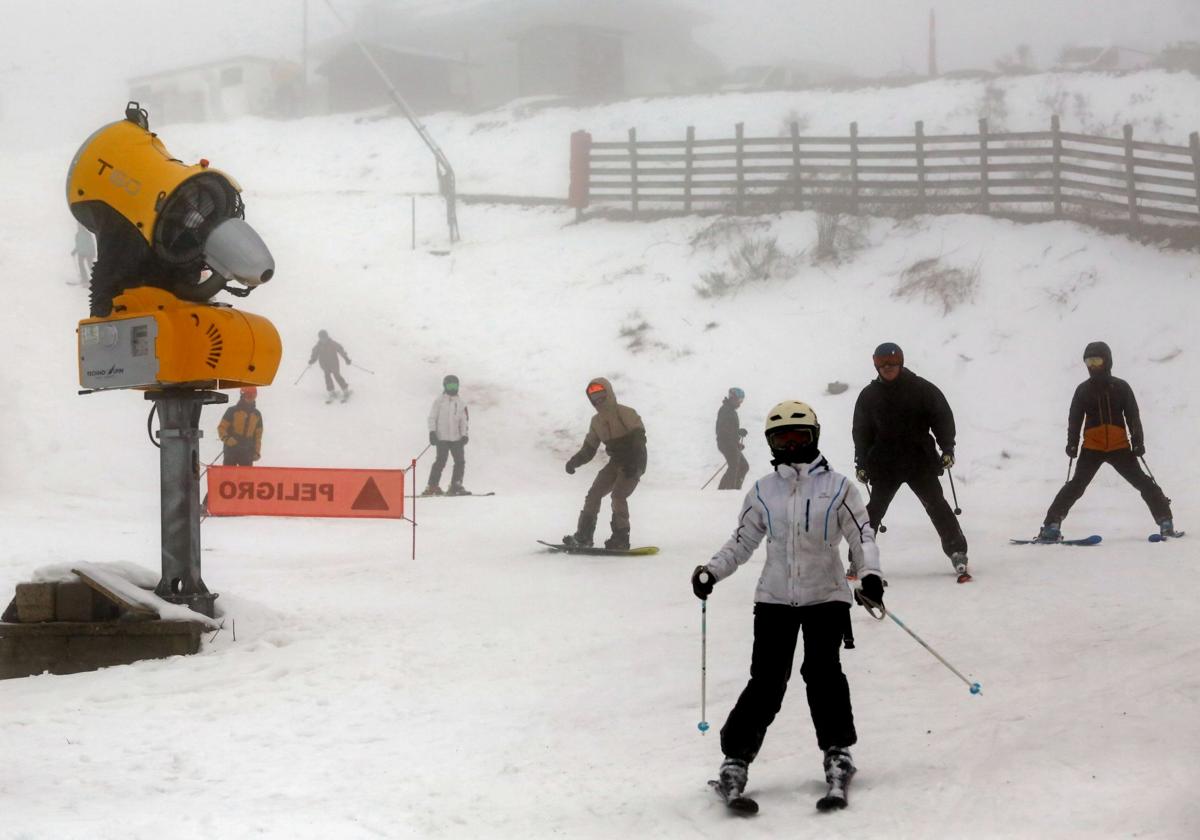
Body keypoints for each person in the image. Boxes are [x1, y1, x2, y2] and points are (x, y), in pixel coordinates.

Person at [691, 400, 882, 805]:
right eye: (782, 438)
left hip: (826, 595)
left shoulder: (840, 487)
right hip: (775, 597)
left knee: (823, 673)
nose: (791, 445)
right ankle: (735, 760)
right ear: (772, 443)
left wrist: (870, 575)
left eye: (799, 437)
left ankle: (838, 754)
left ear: (814, 437)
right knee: (767, 681)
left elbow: (862, 536)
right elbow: (742, 541)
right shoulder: (763, 490)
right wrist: (712, 570)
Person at [1036, 341, 1178, 540]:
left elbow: (1132, 415)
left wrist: (1137, 440)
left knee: (1145, 484)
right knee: (1075, 486)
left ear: (1107, 361)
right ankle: (1051, 525)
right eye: (1088, 361)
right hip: (1092, 448)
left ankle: (1165, 522)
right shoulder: (1082, 390)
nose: (1092, 365)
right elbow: (1075, 418)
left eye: (1097, 360)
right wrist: (1072, 442)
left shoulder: (1121, 387)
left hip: (1119, 447)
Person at [852, 342, 969, 577]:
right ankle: (859, 558)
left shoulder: (922, 389)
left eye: (892, 362)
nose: (887, 367)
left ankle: (957, 552)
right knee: (873, 512)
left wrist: (948, 449)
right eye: (881, 363)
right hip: (885, 465)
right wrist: (861, 462)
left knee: (937, 505)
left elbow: (942, 419)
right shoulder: (868, 396)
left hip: (920, 462)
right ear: (875, 364)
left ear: (901, 362)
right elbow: (861, 432)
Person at [562, 377, 647, 550]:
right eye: (594, 397)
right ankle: (584, 536)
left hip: (634, 460)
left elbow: (639, 438)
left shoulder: (626, 413)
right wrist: (574, 462)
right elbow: (589, 448)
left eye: (601, 395)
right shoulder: (596, 422)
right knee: (594, 494)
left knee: (618, 496)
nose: (598, 399)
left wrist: (635, 463)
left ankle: (621, 537)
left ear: (608, 393)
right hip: (616, 462)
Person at [424, 374, 470, 496]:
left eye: (455, 385)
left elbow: (464, 420)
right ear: (445, 386)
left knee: (460, 462)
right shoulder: (439, 401)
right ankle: (432, 486)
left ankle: (456, 485)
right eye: (450, 385)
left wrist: (464, 435)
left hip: (457, 439)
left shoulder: (461, 403)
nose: (452, 388)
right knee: (440, 461)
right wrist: (432, 432)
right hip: (442, 437)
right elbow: (432, 418)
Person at [217, 387, 263, 466]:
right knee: (228, 476)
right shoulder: (232, 411)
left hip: (247, 451)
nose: (250, 398)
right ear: (243, 395)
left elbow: (258, 436)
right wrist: (227, 439)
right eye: (248, 395)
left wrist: (256, 452)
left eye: (253, 395)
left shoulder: (257, 414)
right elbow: (221, 428)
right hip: (231, 449)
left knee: (246, 477)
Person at [716, 387, 750, 490]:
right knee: (736, 466)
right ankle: (727, 490)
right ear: (732, 398)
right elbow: (723, 431)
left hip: (729, 443)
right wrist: (733, 443)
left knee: (742, 466)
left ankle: (732, 489)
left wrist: (738, 433)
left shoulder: (730, 410)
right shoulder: (725, 410)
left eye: (742, 400)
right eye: (739, 400)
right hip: (726, 444)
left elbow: (729, 429)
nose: (740, 403)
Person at [309, 330, 351, 403]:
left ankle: (345, 390)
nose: (323, 340)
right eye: (321, 338)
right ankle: (331, 392)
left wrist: (346, 358)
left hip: (334, 364)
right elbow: (314, 354)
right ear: (319, 338)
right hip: (324, 365)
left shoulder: (332, 344)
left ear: (327, 337)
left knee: (337, 376)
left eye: (324, 338)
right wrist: (312, 360)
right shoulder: (318, 346)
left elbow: (340, 350)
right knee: (327, 377)